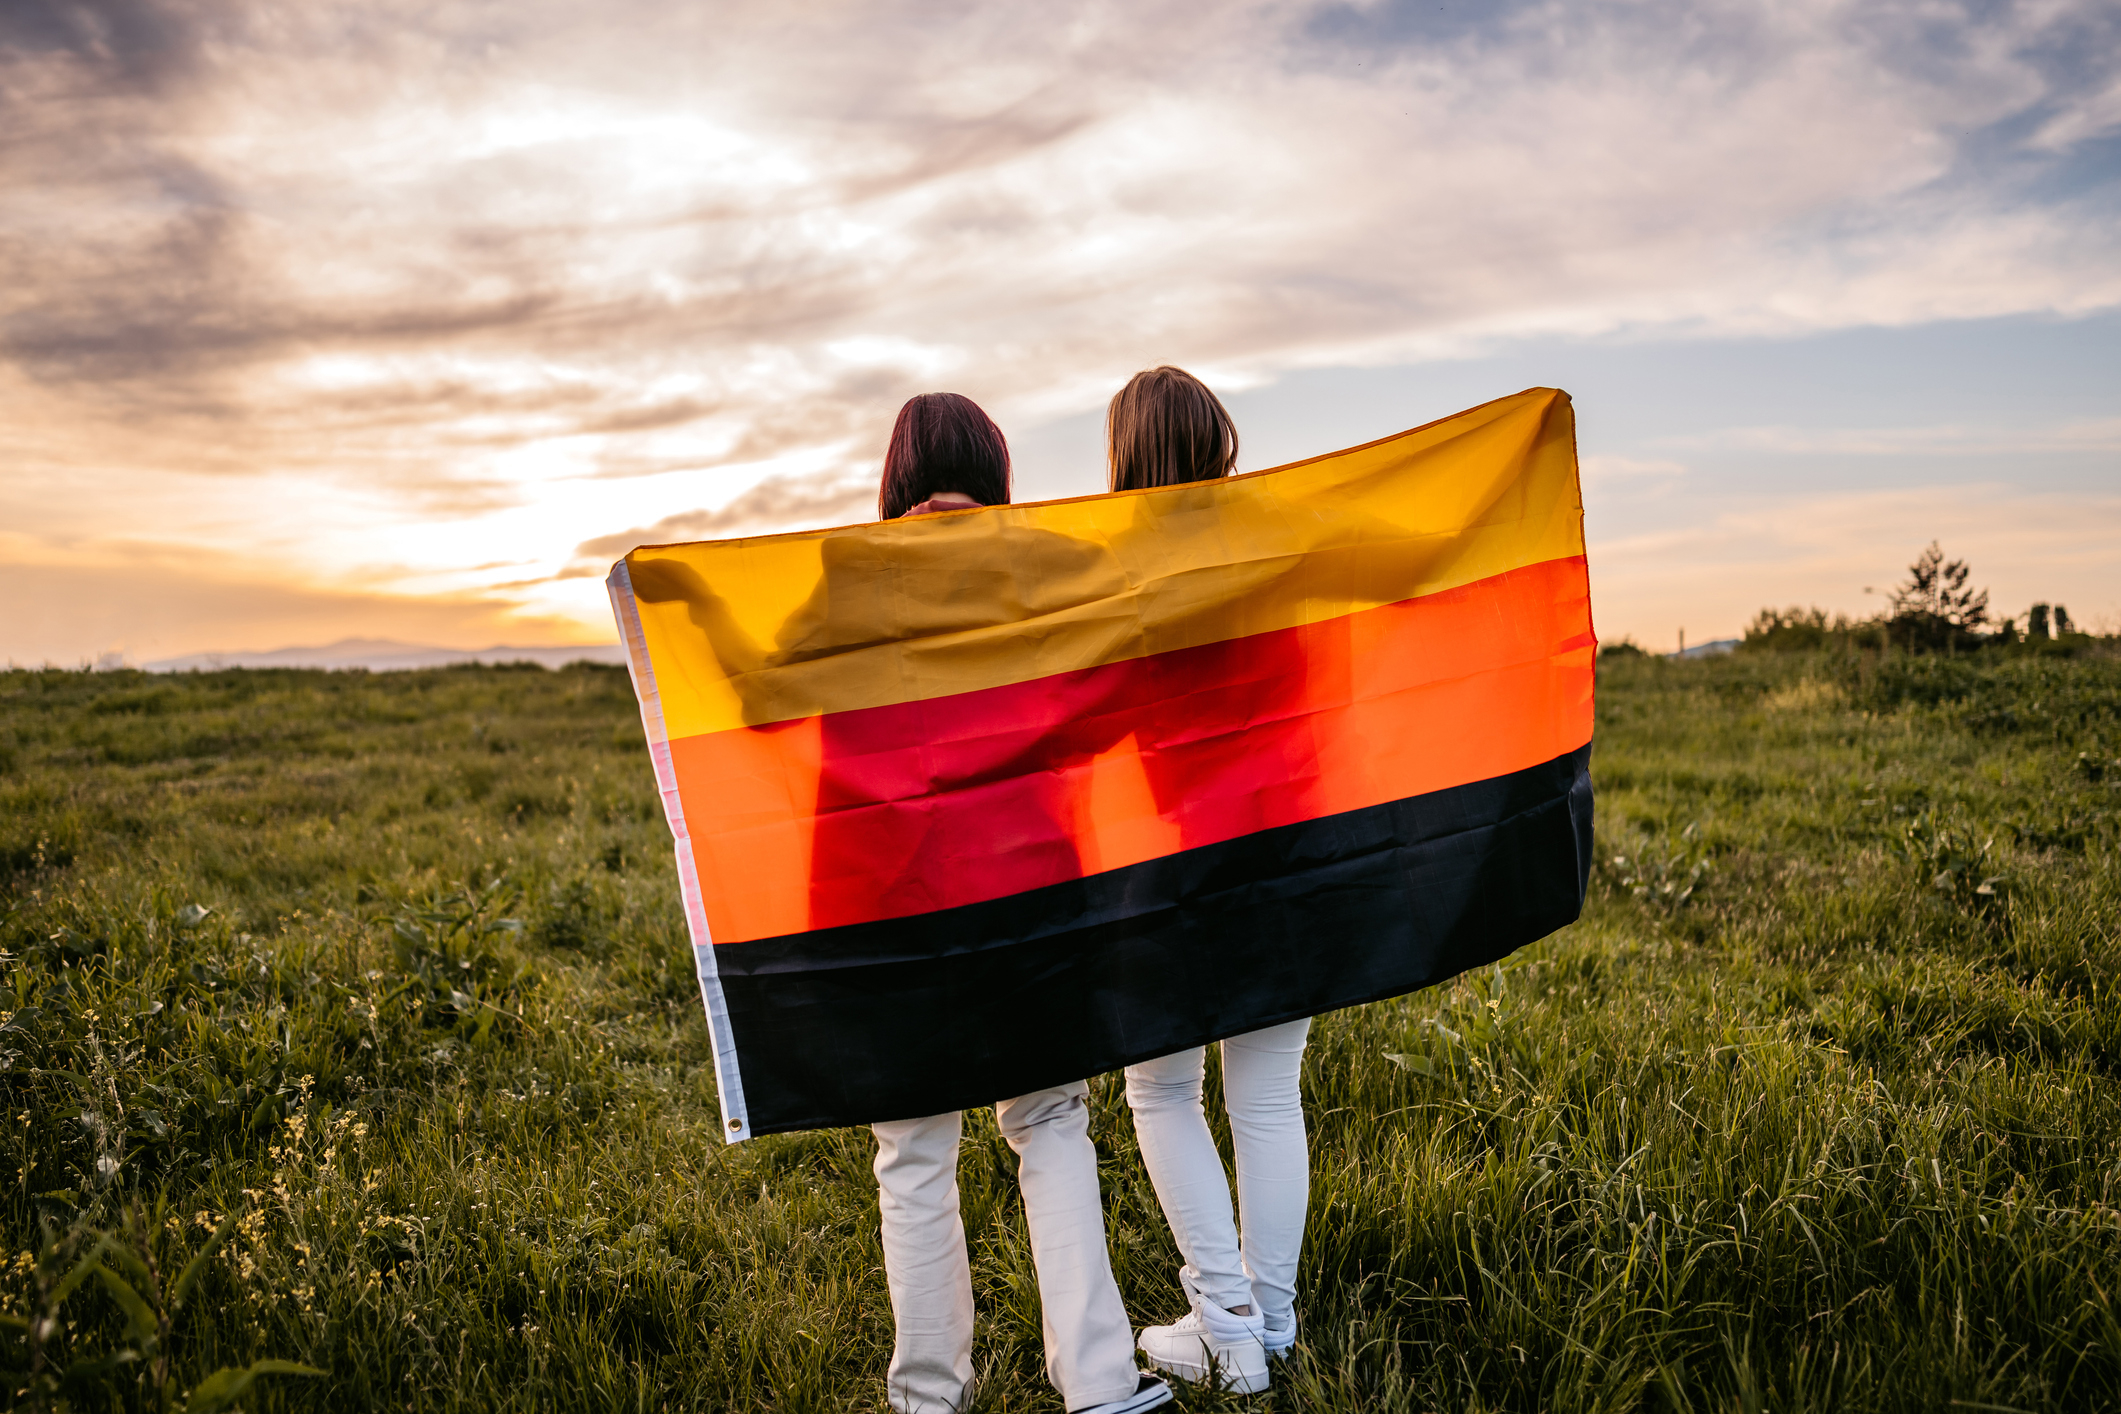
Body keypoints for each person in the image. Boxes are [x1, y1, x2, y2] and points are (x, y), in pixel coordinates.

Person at [867, 392, 1173, 1414]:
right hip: (1033, 884)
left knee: (913, 1148)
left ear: (898, 473)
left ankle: (926, 1399)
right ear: (995, 467)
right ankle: (1098, 1384)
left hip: (896, 901)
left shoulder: (839, 581)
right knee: (1048, 1121)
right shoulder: (1043, 568)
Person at [1109, 367, 1313, 1394]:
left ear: (1125, 457)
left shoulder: (1119, 581)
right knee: (1269, 1096)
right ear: (1221, 442)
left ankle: (1227, 1332)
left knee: (1160, 1090)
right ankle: (1265, 1328)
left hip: (1177, 868)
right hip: (1288, 860)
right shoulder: (1273, 561)